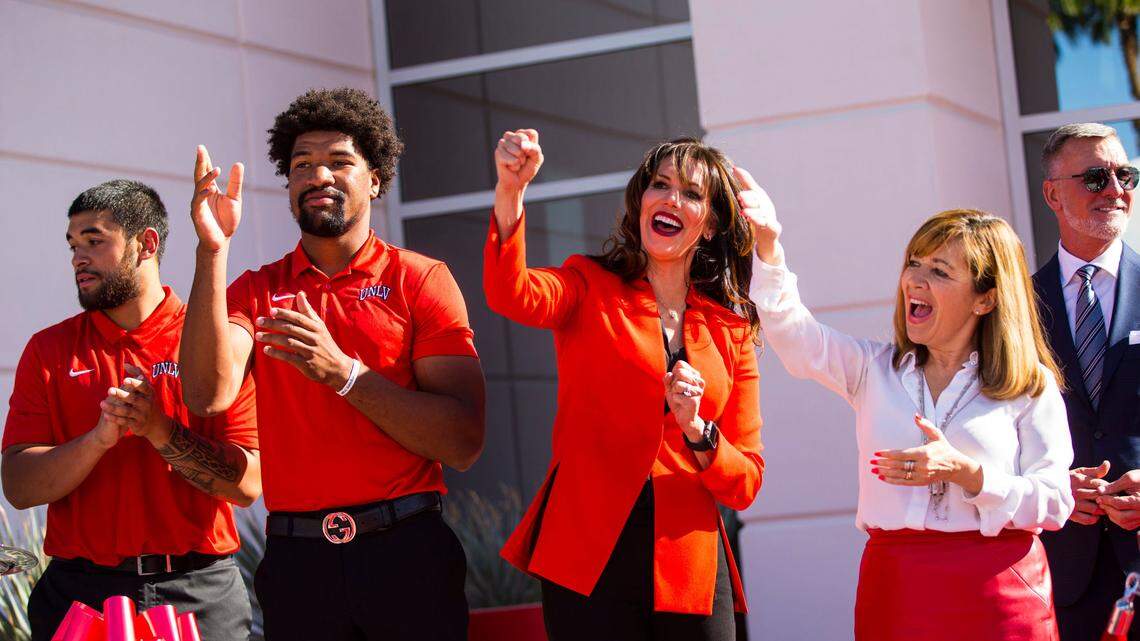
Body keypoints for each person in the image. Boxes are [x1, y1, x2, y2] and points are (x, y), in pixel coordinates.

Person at [179, 87, 486, 641]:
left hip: (407, 553)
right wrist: (211, 250)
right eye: (302, 165)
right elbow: (206, 394)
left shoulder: (420, 279)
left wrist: (346, 375)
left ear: (374, 179)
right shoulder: (255, 290)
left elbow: (463, 440)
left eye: (339, 161)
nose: (318, 175)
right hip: (298, 564)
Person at [745, 183, 1074, 639]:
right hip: (898, 588)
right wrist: (768, 244)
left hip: (1000, 591)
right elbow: (793, 333)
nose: (914, 281)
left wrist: (969, 473)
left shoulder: (1029, 384)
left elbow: (1055, 502)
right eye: (913, 265)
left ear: (986, 299)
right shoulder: (872, 370)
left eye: (939, 271)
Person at [484, 130, 763, 640]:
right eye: (661, 184)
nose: (671, 199)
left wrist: (697, 429)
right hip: (588, 547)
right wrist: (510, 191)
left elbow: (746, 481)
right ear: (642, 201)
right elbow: (512, 293)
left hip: (687, 553)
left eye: (692, 194)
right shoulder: (587, 284)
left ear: (710, 225)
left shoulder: (731, 328)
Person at [1, 179, 261, 641]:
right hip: (79, 593)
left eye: (95, 241)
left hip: (198, 590)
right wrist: (98, 440)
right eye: (73, 245)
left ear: (147, 244)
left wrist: (161, 433)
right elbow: (19, 487)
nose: (79, 257)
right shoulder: (48, 350)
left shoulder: (211, 342)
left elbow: (246, 486)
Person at [1033, 122, 1140, 640]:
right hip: (1062, 578)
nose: (1116, 190)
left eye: (1126, 175)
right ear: (1053, 193)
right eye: (1096, 177)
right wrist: (1050, 489)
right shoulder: (1014, 312)